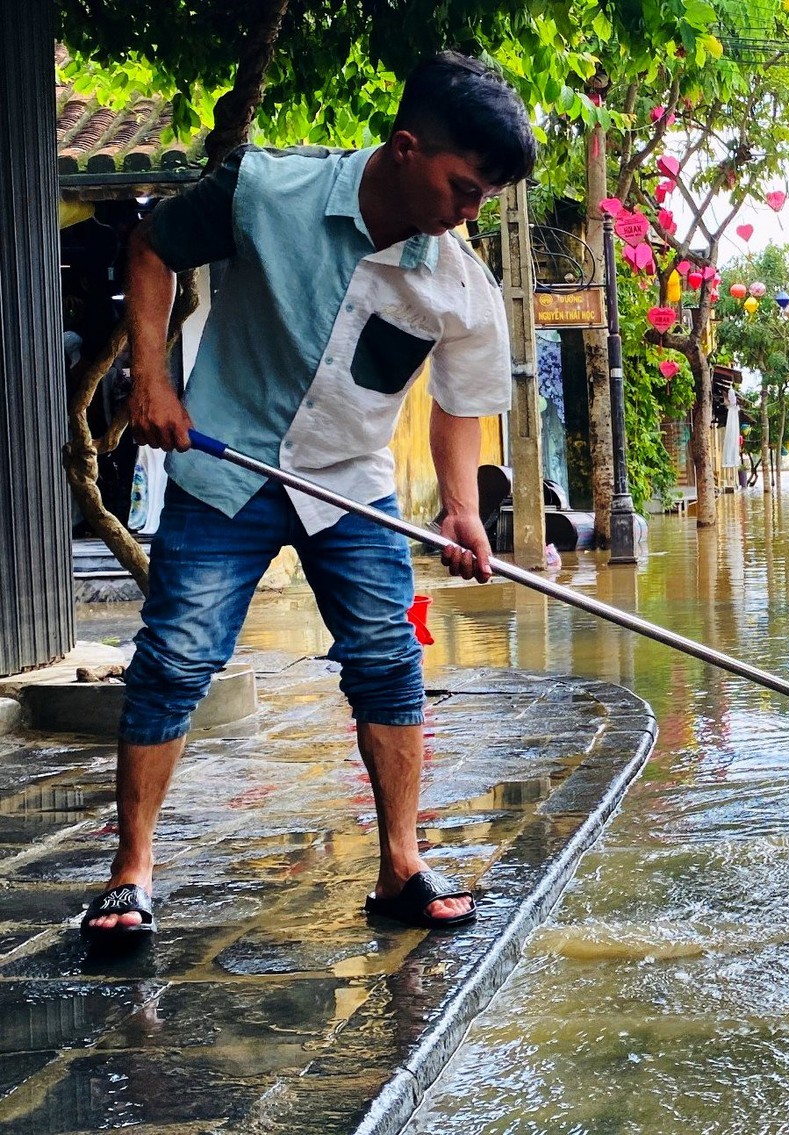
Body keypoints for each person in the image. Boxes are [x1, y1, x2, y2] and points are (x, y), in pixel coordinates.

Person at [83, 52, 532, 944]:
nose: (470, 212)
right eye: (464, 188)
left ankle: (401, 863)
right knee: (174, 657)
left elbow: (460, 404)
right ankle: (130, 873)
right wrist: (151, 378)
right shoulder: (263, 191)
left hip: (350, 488)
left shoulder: (457, 284)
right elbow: (152, 246)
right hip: (228, 468)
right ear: (406, 149)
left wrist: (462, 509)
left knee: (388, 660)